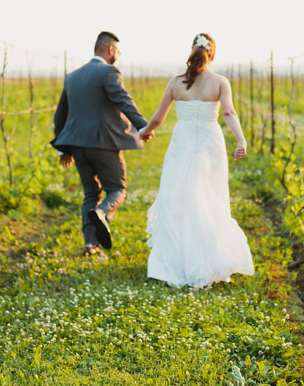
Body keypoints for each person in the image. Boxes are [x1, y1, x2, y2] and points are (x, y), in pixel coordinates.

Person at [138, 33, 255, 287]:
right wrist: (241, 140)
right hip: (210, 144)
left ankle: (179, 257)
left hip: (182, 144)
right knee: (207, 195)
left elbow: (157, 119)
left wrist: (143, 132)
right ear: (212, 55)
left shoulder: (175, 83)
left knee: (176, 196)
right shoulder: (220, 82)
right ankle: (208, 254)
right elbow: (228, 112)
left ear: (192, 53)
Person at [51, 31, 151, 256]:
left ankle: (90, 246)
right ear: (110, 50)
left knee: (90, 194)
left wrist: (63, 149)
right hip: (103, 143)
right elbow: (123, 99)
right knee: (117, 189)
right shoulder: (109, 72)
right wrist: (143, 126)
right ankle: (103, 213)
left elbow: (61, 115)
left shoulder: (72, 76)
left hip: (77, 145)